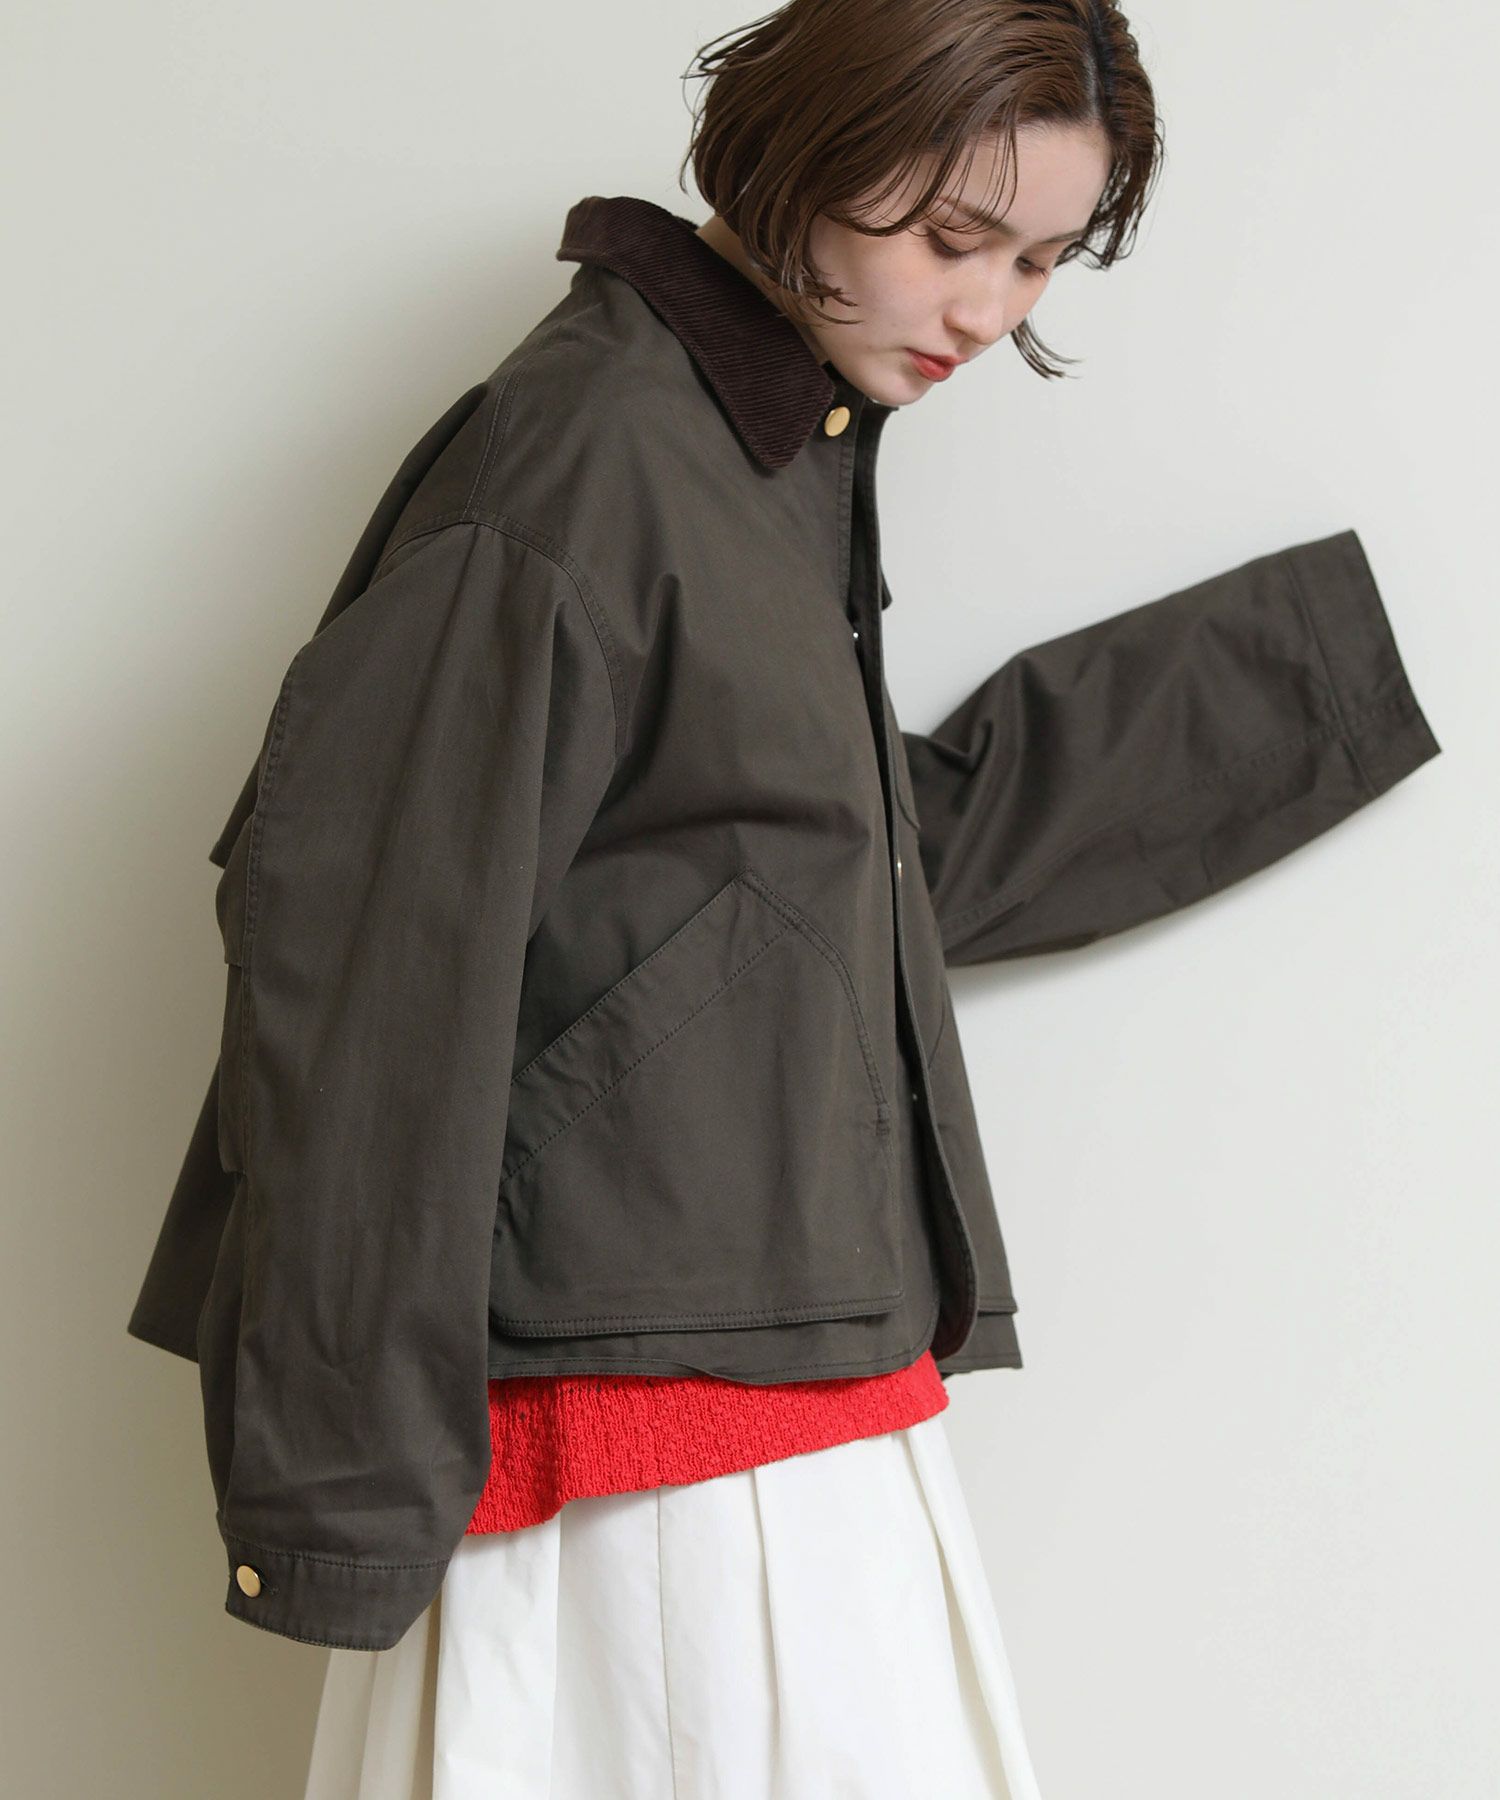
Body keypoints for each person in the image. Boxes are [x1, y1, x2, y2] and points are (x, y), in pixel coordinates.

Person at [125, 2, 1441, 1795]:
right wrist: (341, 1504)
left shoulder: (754, 454)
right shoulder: (587, 455)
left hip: (783, 1371)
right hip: (633, 1446)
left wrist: (1327, 679)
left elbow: (834, 869)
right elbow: (364, 961)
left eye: (1040, 260)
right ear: (805, 152)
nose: (989, 310)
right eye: (954, 237)